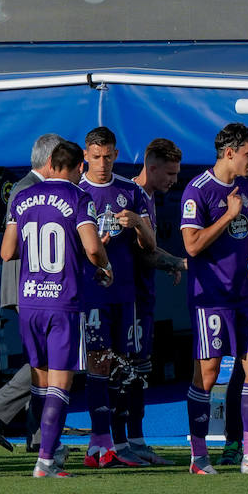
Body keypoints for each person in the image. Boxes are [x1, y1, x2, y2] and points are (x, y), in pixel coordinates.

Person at [179, 123, 248, 475]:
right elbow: (192, 245)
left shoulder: (244, 186)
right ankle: (199, 456)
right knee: (208, 374)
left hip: (244, 295)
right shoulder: (197, 190)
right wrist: (227, 214)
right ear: (229, 153)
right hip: (210, 298)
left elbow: (244, 234)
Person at [3, 141, 113, 478]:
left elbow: (7, 251)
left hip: (29, 300)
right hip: (63, 301)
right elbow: (92, 248)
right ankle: (46, 461)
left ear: (50, 162)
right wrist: (104, 263)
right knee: (60, 384)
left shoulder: (22, 197)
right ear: (80, 167)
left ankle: (47, 450)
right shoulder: (79, 197)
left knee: (40, 381)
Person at [79, 126, 156, 469]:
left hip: (126, 294)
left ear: (116, 155)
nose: (102, 163)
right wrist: (94, 248)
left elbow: (150, 245)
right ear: (85, 156)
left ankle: (122, 442)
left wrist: (138, 223)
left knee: (124, 366)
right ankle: (100, 443)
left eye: (108, 156)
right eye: (96, 157)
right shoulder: (76, 192)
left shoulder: (130, 191)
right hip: (92, 294)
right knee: (99, 363)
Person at [0, 132, 66, 452]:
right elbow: (18, 243)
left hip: (33, 284)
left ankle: (38, 437)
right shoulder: (27, 189)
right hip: (29, 284)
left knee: (44, 361)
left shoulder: (27, 187)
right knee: (44, 360)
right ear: (51, 161)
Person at [130, 138, 186, 465]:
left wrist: (168, 264)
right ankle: (122, 442)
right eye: (170, 173)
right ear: (151, 168)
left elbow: (149, 251)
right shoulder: (132, 195)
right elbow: (142, 252)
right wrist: (179, 262)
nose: (174, 180)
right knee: (128, 371)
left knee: (139, 369)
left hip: (143, 297)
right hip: (128, 300)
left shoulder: (148, 197)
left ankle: (133, 441)